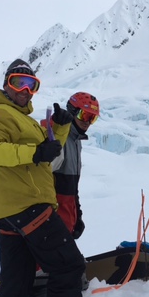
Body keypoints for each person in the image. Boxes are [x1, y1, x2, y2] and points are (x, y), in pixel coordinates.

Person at [0, 59, 86, 297]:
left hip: (8, 212)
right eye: (19, 82)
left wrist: (60, 129)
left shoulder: (23, 119)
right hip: (27, 206)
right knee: (69, 265)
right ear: (6, 84)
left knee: (17, 280)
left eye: (32, 85)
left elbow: (48, 154)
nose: (25, 90)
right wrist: (34, 152)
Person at [52, 92, 100, 239]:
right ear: (71, 112)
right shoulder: (58, 135)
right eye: (84, 115)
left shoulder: (76, 140)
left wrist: (77, 214)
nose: (87, 122)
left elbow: (72, 187)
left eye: (92, 118)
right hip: (52, 221)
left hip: (66, 218)